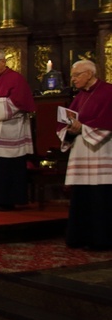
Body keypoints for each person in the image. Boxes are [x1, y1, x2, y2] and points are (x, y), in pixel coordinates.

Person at [57, 60, 112, 250]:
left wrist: (83, 128)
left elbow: (107, 122)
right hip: (82, 149)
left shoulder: (108, 92)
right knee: (82, 195)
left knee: (100, 196)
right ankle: (80, 236)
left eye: (76, 75)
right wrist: (71, 129)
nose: (73, 80)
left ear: (89, 74)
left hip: (101, 150)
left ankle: (101, 239)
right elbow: (69, 122)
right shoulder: (80, 96)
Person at [0, 49, 35, 211]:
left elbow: (20, 103)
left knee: (7, 166)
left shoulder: (16, 79)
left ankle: (7, 200)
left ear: (3, 62)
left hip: (9, 128)